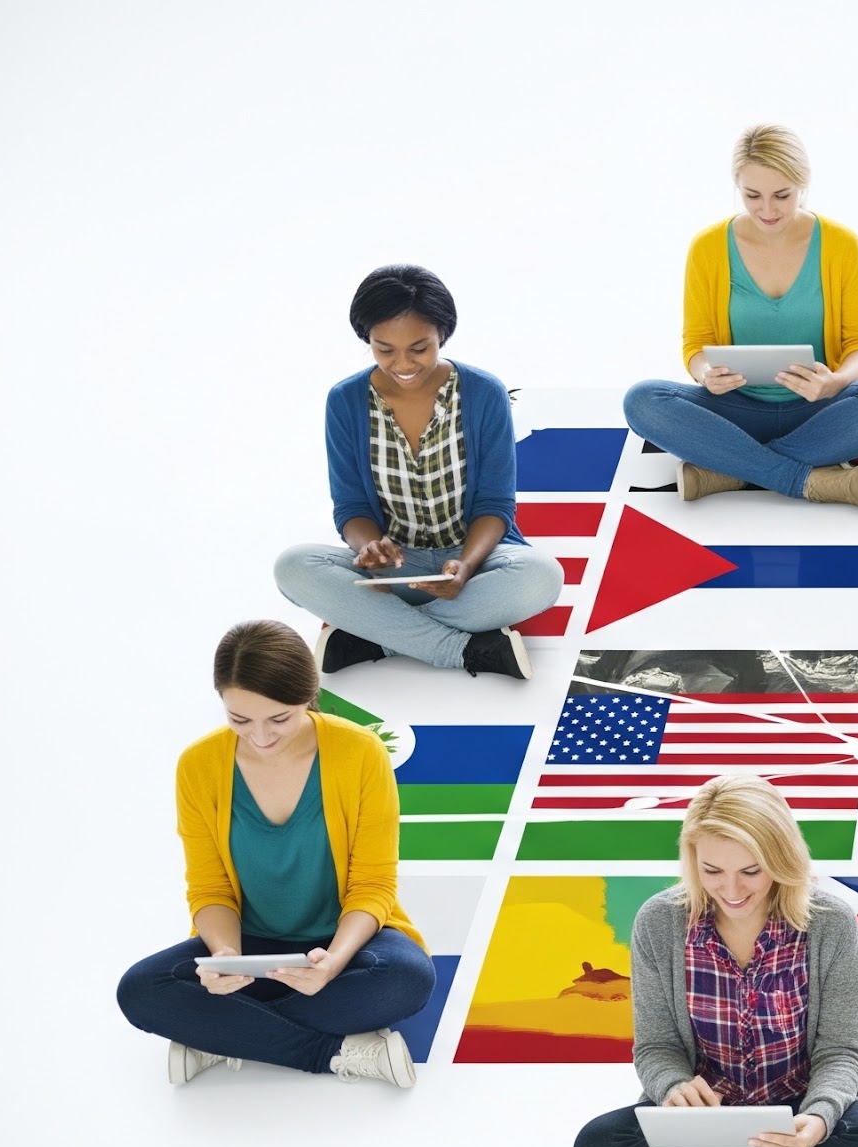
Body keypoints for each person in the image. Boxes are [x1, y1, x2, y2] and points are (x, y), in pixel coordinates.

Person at [571, 774, 858, 1147]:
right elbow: (655, 1047)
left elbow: (841, 1050)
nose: (731, 889)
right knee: (599, 1146)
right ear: (692, 861)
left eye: (751, 870)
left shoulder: (830, 923)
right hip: (699, 1129)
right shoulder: (659, 922)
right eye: (711, 870)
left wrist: (817, 1117)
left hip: (795, 1125)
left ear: (781, 857)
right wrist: (671, 1085)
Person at [115, 621, 435, 1087]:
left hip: (341, 940)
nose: (260, 737)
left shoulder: (360, 752)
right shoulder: (199, 765)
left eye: (279, 718)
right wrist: (225, 955)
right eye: (239, 720)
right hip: (248, 947)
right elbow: (209, 889)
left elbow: (373, 885)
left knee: (407, 979)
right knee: (140, 992)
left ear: (308, 696)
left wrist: (334, 964)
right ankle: (333, 1052)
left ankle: (218, 1033)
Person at [274, 265, 563, 679]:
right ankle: (462, 650)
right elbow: (351, 506)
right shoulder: (345, 401)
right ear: (367, 340)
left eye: (419, 348)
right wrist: (370, 546)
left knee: (541, 577)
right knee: (293, 567)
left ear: (441, 335)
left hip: (473, 564)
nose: (403, 363)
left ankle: (374, 636)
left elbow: (495, 504)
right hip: (395, 568)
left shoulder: (483, 393)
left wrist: (464, 566)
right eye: (384, 349)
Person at [623, 124, 858, 508]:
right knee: (642, 399)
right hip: (736, 411)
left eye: (782, 195)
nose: (768, 210)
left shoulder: (842, 245)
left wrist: (836, 380)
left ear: (802, 185)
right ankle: (808, 480)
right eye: (752, 195)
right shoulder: (708, 248)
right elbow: (696, 343)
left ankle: (727, 470)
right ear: (736, 186)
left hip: (820, 411)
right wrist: (704, 373)